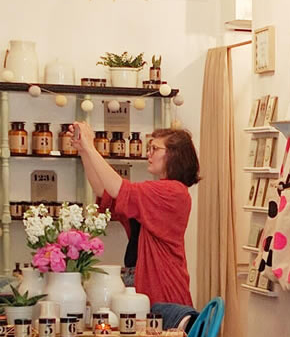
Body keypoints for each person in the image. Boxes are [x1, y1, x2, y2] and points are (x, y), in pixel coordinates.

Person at [71, 123, 198, 308]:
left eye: (155, 149)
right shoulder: (157, 190)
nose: (149, 154)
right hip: (141, 281)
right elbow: (104, 190)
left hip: (162, 286)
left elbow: (119, 188)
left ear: (174, 154)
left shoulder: (174, 191)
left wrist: (91, 147)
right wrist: (84, 151)